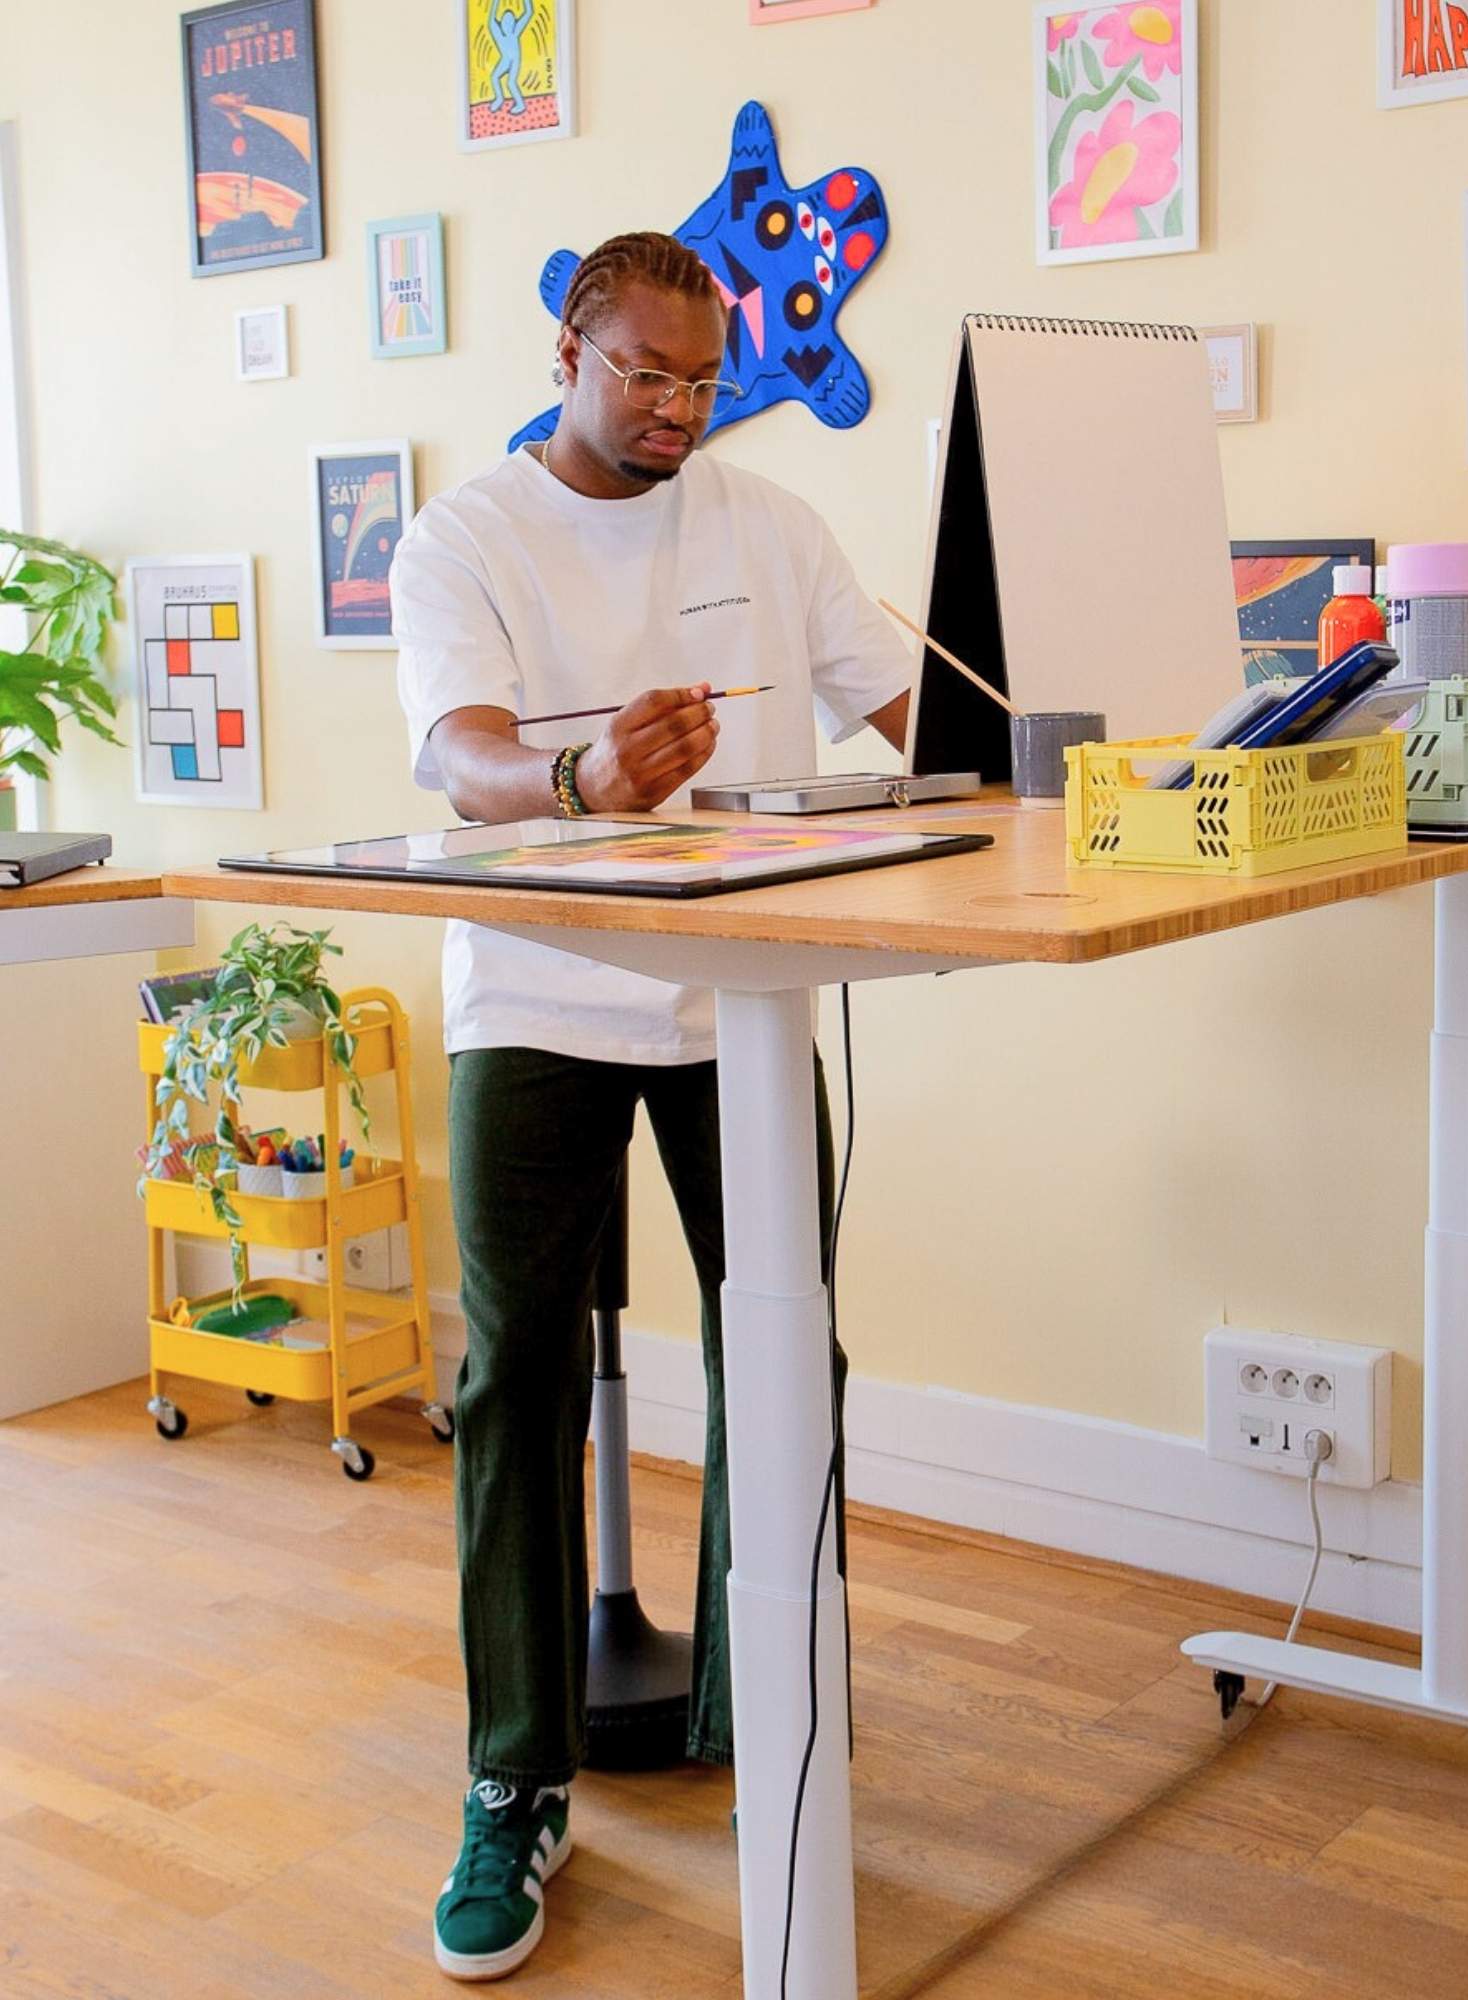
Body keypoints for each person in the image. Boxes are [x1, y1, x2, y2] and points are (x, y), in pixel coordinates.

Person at [391, 229, 911, 1983]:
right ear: (570, 349)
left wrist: (1073, 726)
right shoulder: (466, 535)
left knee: (790, 1354)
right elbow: (462, 758)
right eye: (647, 376)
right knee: (514, 1371)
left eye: (704, 378)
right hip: (534, 998)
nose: (682, 407)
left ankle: (764, 1721)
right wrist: (577, 776)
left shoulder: (766, 522)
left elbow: (913, 700)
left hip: (741, 1005)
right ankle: (511, 1779)